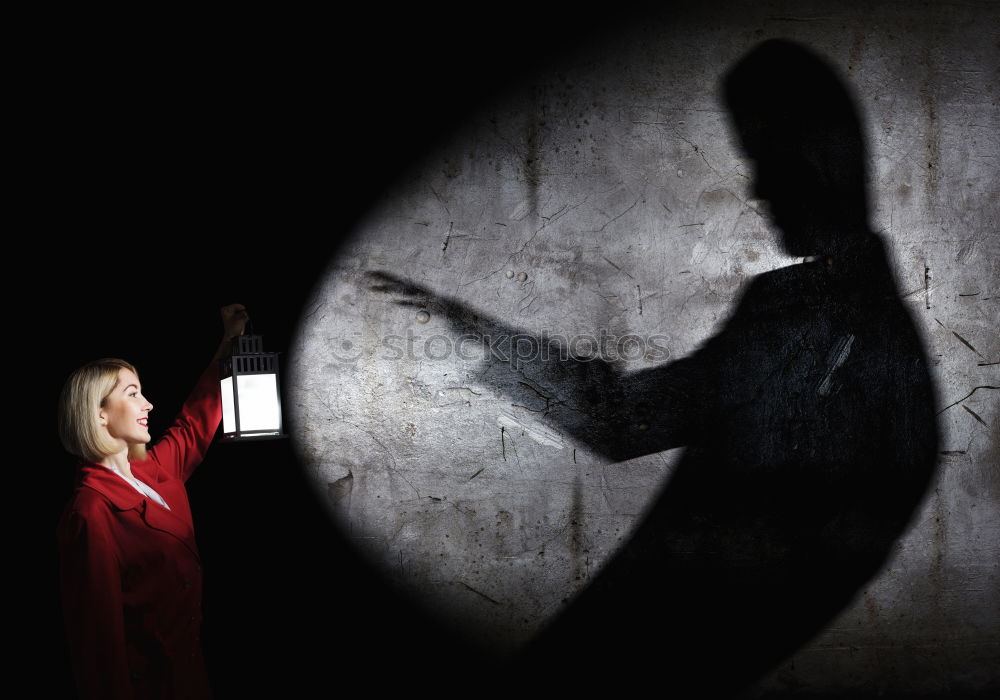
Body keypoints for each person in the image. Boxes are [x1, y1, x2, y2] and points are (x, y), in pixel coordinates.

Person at [370, 39, 938, 694]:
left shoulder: (818, 329)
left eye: (766, 158)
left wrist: (476, 337)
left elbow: (622, 421)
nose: (755, 187)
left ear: (820, 162)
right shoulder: (855, 345)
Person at [56, 304, 248, 700]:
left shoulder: (155, 470)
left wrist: (229, 343)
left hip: (192, 679)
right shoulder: (91, 512)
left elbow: (194, 422)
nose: (148, 405)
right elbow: (99, 648)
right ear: (100, 415)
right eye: (133, 394)